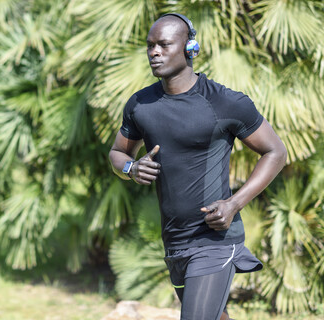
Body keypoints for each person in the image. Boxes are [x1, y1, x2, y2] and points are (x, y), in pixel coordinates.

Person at [108, 13, 287, 320]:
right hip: (174, 240)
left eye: (164, 45)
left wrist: (233, 204)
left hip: (214, 238)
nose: (154, 52)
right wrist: (131, 169)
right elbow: (116, 153)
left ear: (190, 48)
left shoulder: (225, 103)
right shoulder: (139, 105)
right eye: (150, 46)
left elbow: (276, 152)